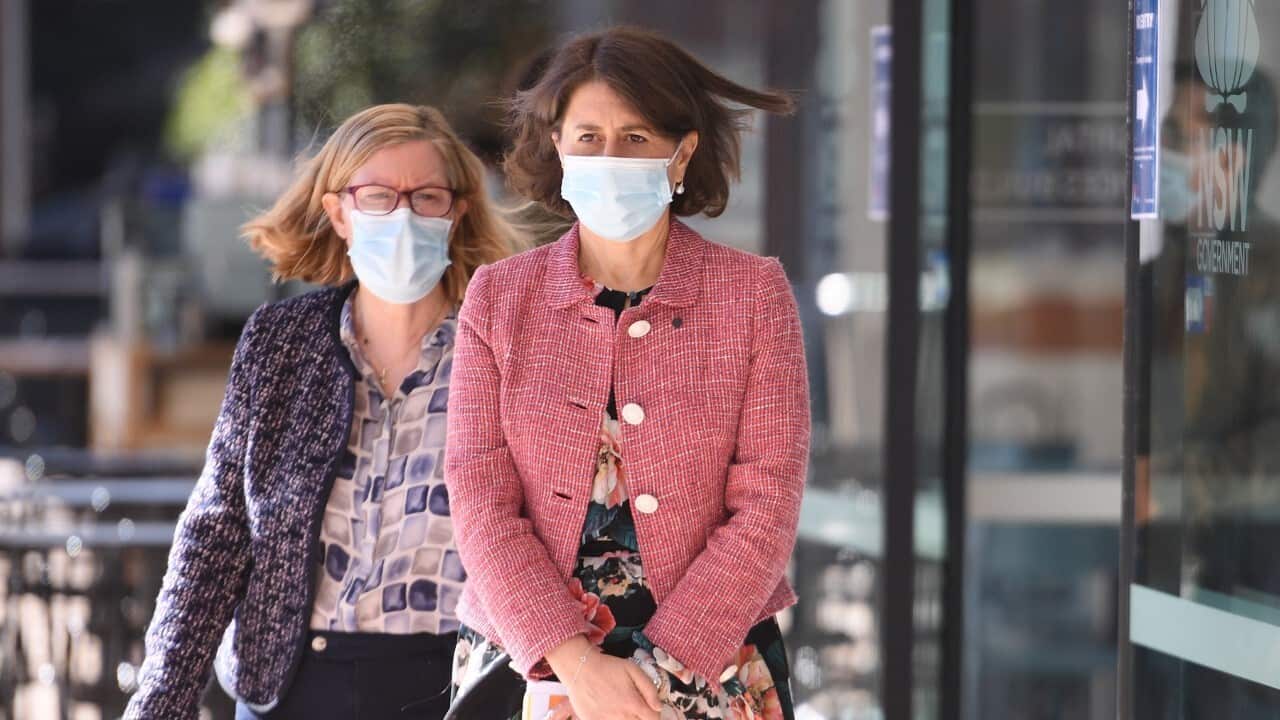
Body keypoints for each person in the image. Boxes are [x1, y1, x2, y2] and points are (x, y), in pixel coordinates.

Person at [445, 27, 809, 720]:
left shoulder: (753, 295)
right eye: (588, 137)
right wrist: (575, 663)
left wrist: (660, 675)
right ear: (558, 147)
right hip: (533, 662)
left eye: (636, 138)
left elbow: (766, 506)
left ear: (682, 153)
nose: (609, 157)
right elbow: (481, 499)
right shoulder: (498, 298)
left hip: (713, 662)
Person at [125, 103, 520, 719]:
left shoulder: (506, 346)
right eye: (379, 197)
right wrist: (157, 704)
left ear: (458, 209)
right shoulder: (281, 342)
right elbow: (215, 535)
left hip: (452, 686)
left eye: (427, 198)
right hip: (289, 687)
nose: (405, 215)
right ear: (338, 212)